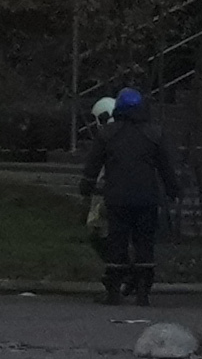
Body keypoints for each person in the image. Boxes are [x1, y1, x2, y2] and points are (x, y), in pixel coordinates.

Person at [76, 88, 179, 304]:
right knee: (144, 243)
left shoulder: (107, 134)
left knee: (117, 242)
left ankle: (113, 291)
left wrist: (86, 186)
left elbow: (93, 165)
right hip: (147, 198)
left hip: (117, 197)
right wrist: (173, 190)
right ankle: (143, 292)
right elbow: (166, 167)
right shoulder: (155, 134)